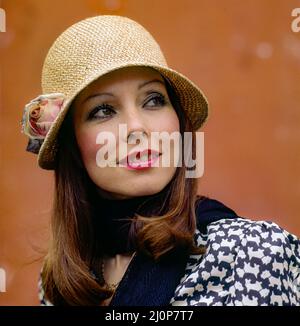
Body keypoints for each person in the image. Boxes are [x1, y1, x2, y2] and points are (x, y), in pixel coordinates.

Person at [21, 15, 300, 306]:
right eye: (103, 110)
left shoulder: (253, 253)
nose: (136, 127)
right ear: (73, 147)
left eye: (153, 99)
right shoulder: (60, 281)